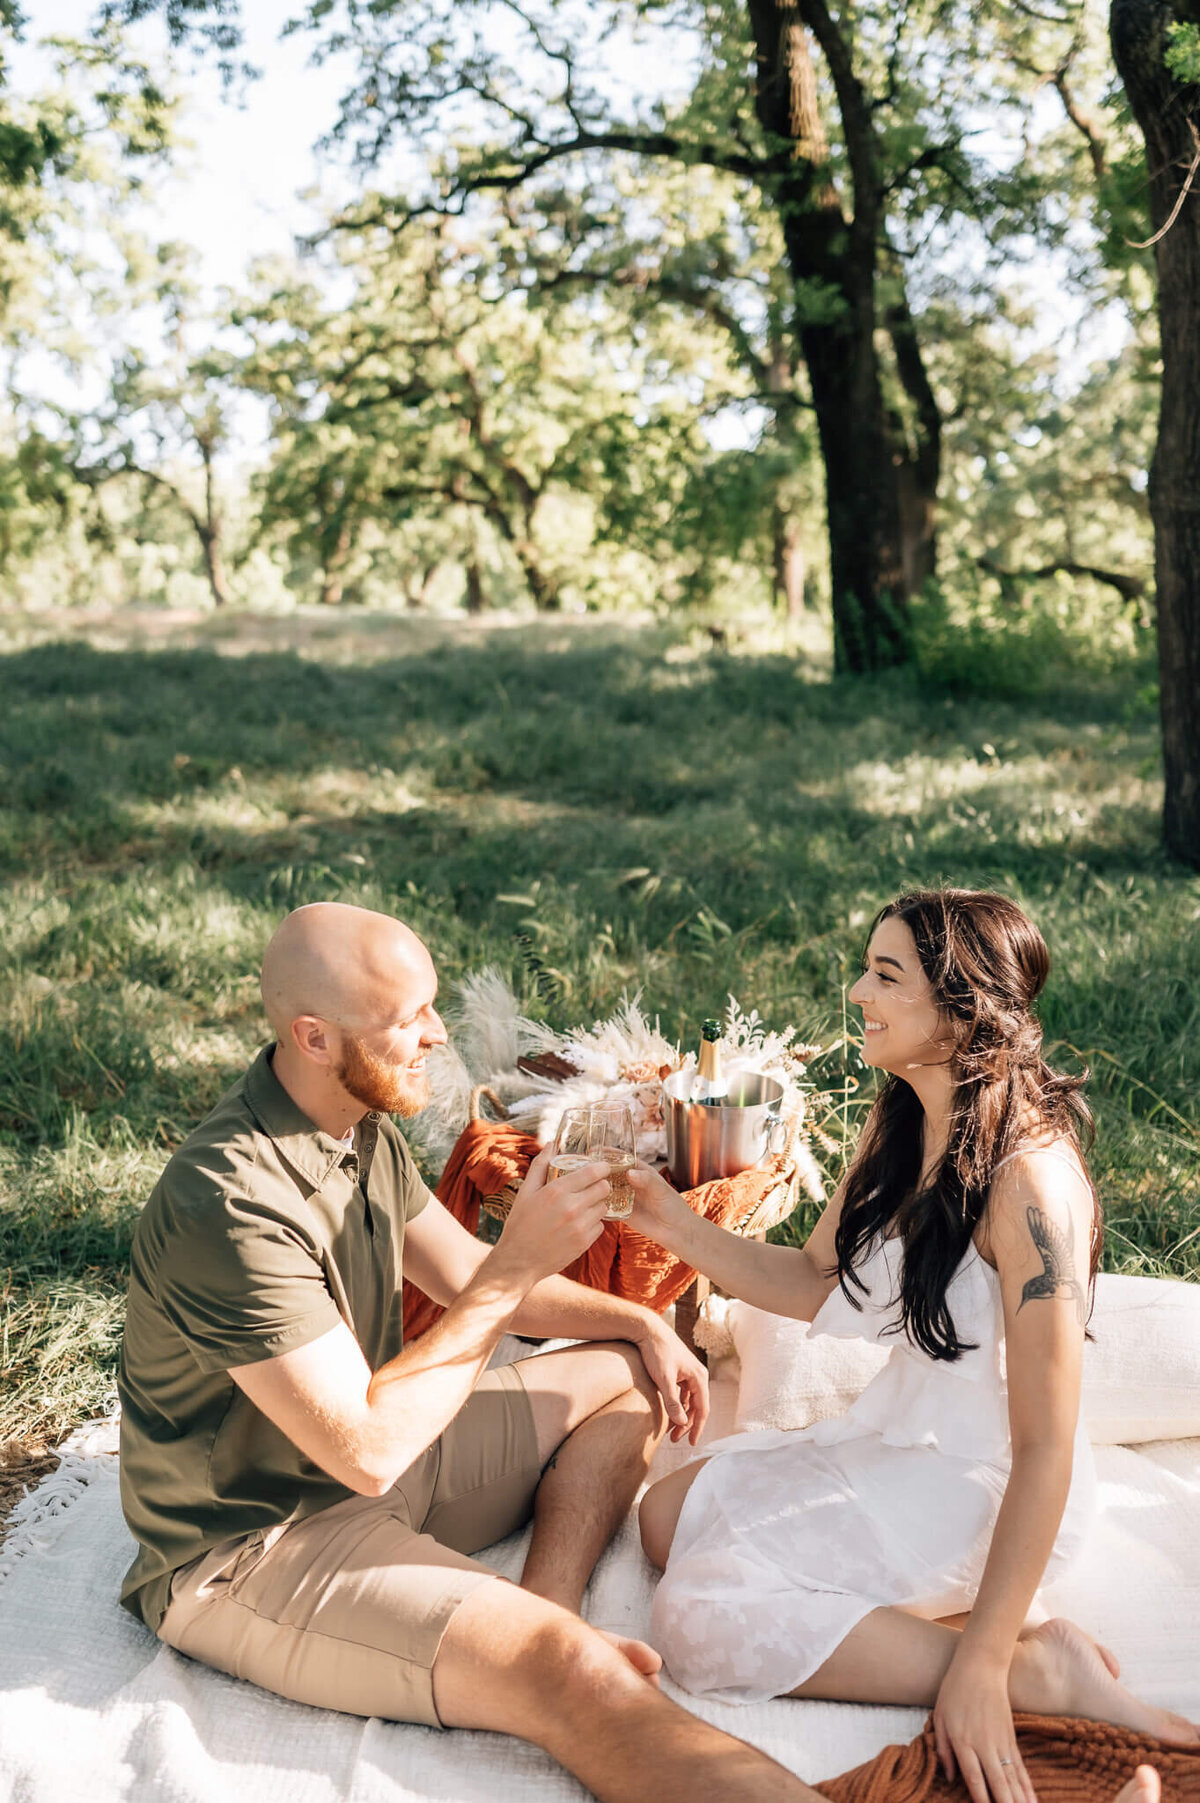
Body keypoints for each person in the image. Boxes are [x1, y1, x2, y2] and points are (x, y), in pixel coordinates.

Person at [118, 901, 846, 1803]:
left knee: (631, 1367)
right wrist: (519, 1267)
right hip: (260, 1543)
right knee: (577, 1679)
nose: (435, 1035)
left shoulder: (356, 1121)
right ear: (313, 1035)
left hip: (390, 1450)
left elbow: (465, 1271)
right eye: (406, 1018)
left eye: (431, 1005)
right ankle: (550, 1646)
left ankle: (546, 1597)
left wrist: (640, 1323)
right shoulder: (227, 1204)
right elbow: (370, 1447)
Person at [631, 889, 1200, 1803]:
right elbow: (814, 1280)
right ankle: (981, 1637)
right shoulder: (905, 1119)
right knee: (667, 1518)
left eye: (886, 974)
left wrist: (978, 1665)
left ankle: (1028, 1669)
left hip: (992, 1483)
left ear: (963, 1005)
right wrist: (661, 1218)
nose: (858, 990)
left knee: (693, 1618)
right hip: (907, 1442)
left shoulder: (1033, 1189)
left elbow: (1047, 1447)